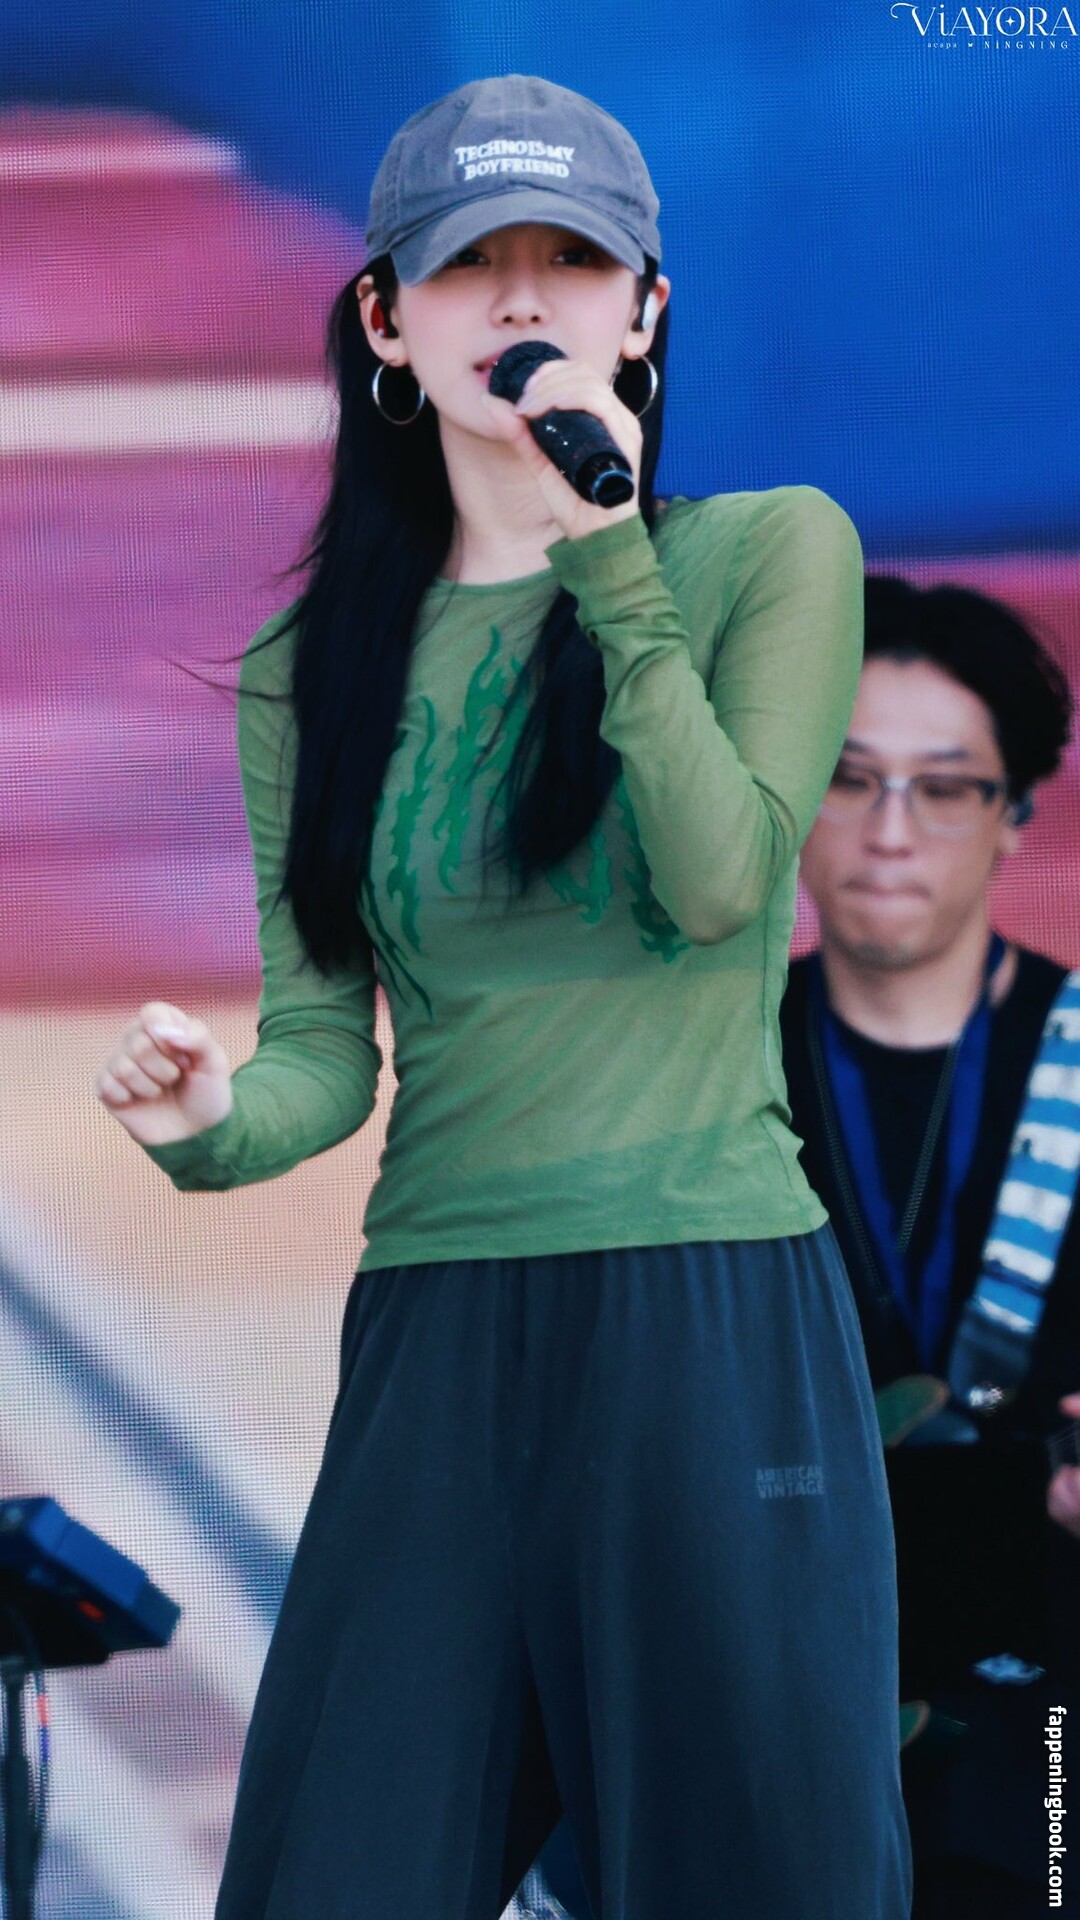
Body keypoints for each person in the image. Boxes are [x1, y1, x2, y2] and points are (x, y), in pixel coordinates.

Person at [93, 74, 911, 1920]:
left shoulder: (768, 550)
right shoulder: (311, 669)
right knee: (334, 1872)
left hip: (709, 1322)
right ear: (386, 319)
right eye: (472, 266)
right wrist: (208, 1123)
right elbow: (325, 1053)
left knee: (763, 1884)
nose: (524, 301)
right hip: (440, 1338)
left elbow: (723, 881)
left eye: (572, 263)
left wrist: (600, 545)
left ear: (646, 311)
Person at [780, 573, 1079, 1919]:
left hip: (1047, 1687)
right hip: (763, 1666)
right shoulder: (690, 1078)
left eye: (945, 787)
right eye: (847, 779)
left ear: (1013, 813)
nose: (889, 831)